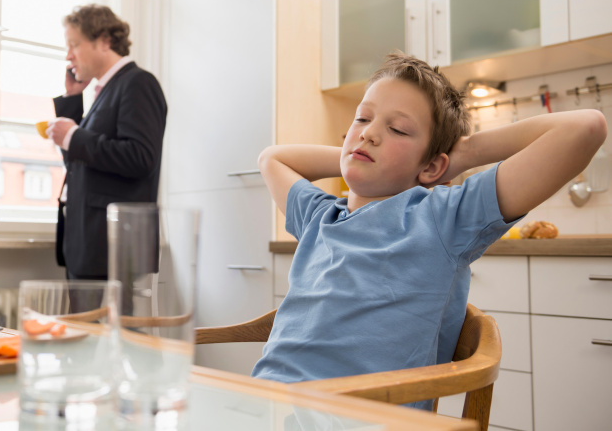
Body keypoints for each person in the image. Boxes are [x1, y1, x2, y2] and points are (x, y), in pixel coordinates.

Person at [251, 52, 607, 409]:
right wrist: (355, 154)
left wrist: (464, 153)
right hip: (267, 405)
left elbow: (585, 128)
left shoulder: (441, 217)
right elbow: (272, 158)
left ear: (435, 166)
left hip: (359, 416)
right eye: (362, 118)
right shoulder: (319, 216)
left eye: (398, 129)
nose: (370, 133)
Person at [47, 4, 167, 289]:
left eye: (74, 44)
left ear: (104, 41)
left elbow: (140, 157)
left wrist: (75, 136)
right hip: (91, 249)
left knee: (114, 335)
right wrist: (73, 100)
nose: (69, 55)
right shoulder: (107, 91)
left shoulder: (138, 83)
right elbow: (80, 165)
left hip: (114, 250)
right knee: (88, 333)